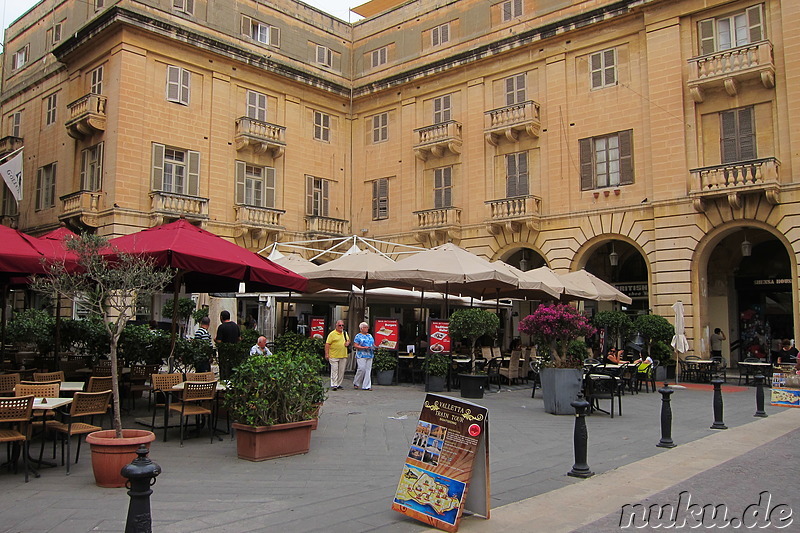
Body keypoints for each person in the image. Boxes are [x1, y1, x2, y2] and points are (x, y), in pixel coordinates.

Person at [325, 320, 350, 390]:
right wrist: (327, 354)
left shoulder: (345, 333)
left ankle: (338, 384)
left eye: (342, 325)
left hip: (343, 355)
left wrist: (347, 342)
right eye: (340, 325)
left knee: (341, 371)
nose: (341, 327)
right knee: (334, 370)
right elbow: (327, 344)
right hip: (333, 355)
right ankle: (334, 384)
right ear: (336, 326)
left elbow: (348, 340)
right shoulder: (332, 334)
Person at [352, 322, 375, 390]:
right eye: (365, 327)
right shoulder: (358, 336)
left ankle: (367, 386)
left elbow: (372, 343)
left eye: (367, 327)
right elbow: (355, 345)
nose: (366, 329)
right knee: (361, 369)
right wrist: (363, 347)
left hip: (370, 354)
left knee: (368, 370)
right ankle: (356, 382)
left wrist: (374, 347)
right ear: (361, 328)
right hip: (361, 354)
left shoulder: (370, 336)